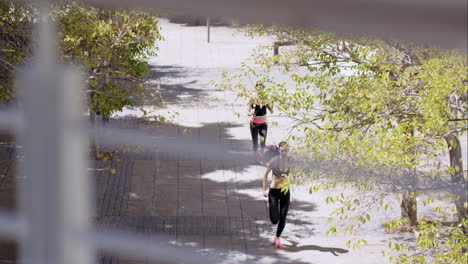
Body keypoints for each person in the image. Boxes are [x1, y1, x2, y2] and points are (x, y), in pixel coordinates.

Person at [262, 141, 291, 248]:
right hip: (274, 191)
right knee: (275, 220)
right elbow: (265, 174)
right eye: (282, 150)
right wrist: (264, 190)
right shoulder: (274, 161)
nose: (284, 152)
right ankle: (270, 206)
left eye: (286, 150)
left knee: (283, 216)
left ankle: (277, 237)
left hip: (285, 191)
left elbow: (294, 174)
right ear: (279, 150)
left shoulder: (290, 161)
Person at [247, 82, 273, 161]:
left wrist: (270, 103)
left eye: (261, 88)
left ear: (263, 89)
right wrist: (250, 113)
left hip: (263, 124)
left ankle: (263, 158)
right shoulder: (252, 99)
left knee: (263, 143)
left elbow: (272, 111)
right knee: (255, 143)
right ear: (256, 89)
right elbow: (248, 111)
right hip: (254, 124)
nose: (260, 90)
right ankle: (255, 159)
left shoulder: (266, 99)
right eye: (258, 88)